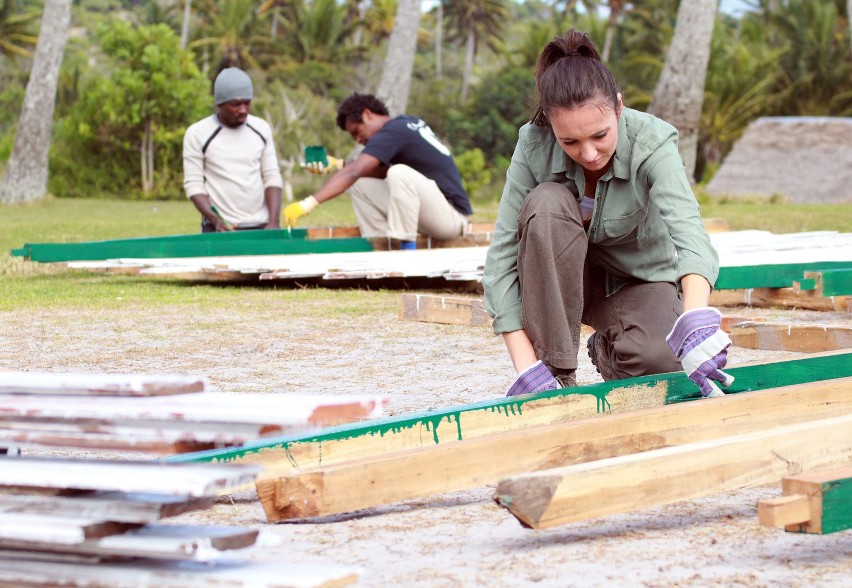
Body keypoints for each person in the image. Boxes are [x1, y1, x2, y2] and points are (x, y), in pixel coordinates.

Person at [483, 29, 733, 399]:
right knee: (546, 202)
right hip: (561, 283)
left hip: (638, 281)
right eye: (570, 141)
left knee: (661, 363)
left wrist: (695, 320)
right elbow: (502, 257)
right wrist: (527, 368)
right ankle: (555, 374)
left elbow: (690, 235)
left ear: (618, 106)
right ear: (551, 127)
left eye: (600, 135)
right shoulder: (532, 143)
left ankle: (609, 350)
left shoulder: (653, 141)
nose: (588, 153)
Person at [283, 93, 473, 249]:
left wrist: (308, 204)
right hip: (432, 211)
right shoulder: (405, 123)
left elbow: (355, 171)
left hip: (451, 218)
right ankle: (382, 248)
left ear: (367, 114)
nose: (357, 140)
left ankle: (408, 256)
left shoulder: (392, 132)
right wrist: (338, 164)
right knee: (362, 183)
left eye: (356, 131)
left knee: (398, 173)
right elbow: (375, 172)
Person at [183, 67, 283, 232]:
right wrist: (216, 220)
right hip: (221, 228)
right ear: (220, 104)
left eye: (247, 103)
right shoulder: (198, 133)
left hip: (262, 225)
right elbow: (194, 185)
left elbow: (271, 176)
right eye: (235, 104)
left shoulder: (261, 128)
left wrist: (273, 221)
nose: (243, 110)